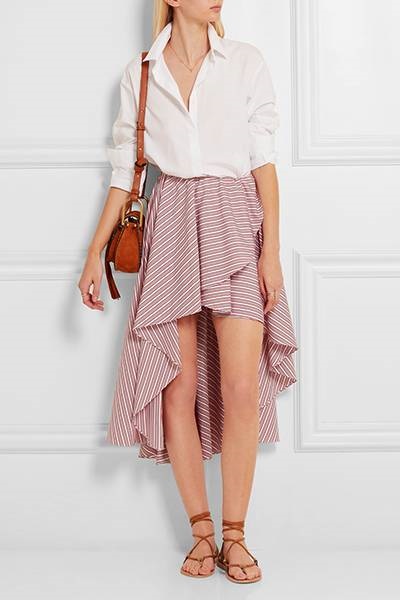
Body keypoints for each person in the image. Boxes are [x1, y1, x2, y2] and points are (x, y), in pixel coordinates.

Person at [78, 0, 298, 585]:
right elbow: (124, 172)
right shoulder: (140, 73)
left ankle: (236, 535)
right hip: (172, 219)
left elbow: (264, 163)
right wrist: (93, 254)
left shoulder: (245, 61)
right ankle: (201, 532)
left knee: (240, 385)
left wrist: (271, 253)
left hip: (234, 220)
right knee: (177, 387)